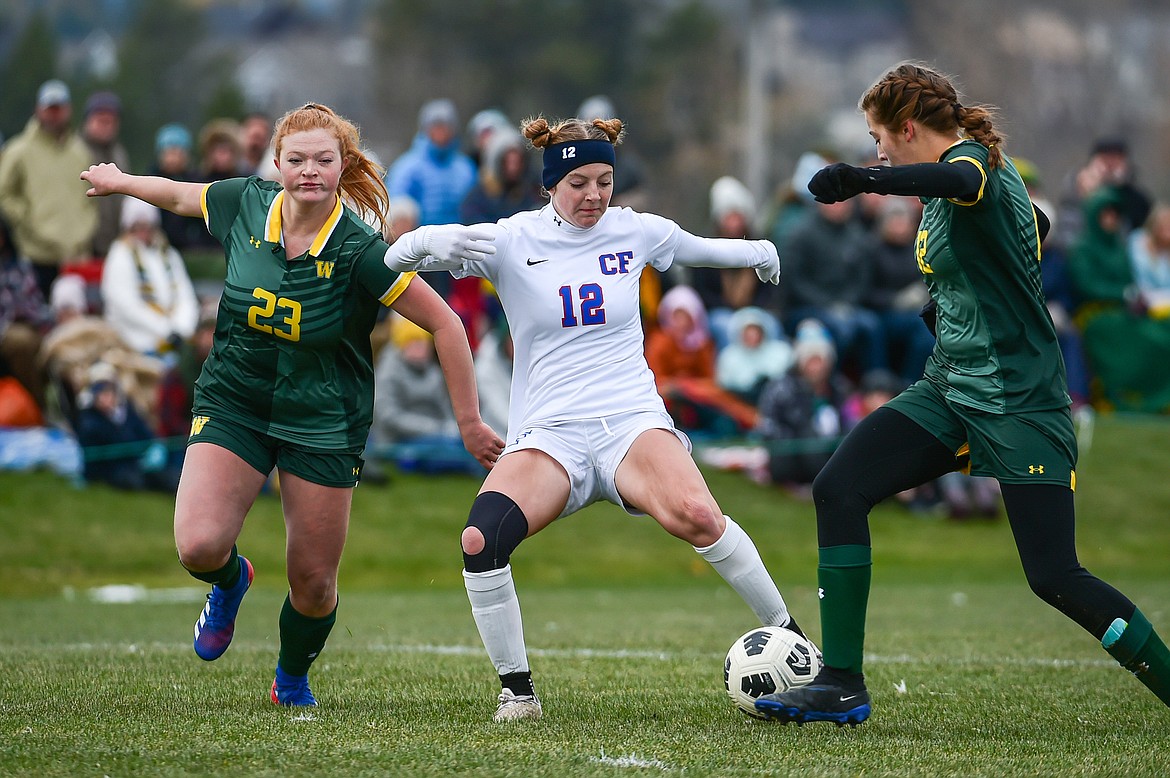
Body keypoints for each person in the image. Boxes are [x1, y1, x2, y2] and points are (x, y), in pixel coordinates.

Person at [754, 62, 1170, 725]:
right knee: (839, 487)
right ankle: (841, 683)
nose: (877, 150)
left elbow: (968, 180)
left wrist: (866, 181)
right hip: (950, 387)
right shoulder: (954, 194)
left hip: (1019, 400)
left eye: (878, 138)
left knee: (1054, 577)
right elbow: (1032, 226)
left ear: (909, 128)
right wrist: (962, 306)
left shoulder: (972, 164)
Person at [383, 113, 803, 723]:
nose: (595, 196)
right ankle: (518, 693)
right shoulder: (511, 239)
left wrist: (759, 250)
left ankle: (793, 641)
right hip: (550, 435)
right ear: (551, 183)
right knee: (480, 540)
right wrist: (423, 244)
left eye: (604, 180)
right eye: (579, 182)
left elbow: (698, 248)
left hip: (630, 420)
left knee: (699, 514)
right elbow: (392, 258)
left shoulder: (633, 230)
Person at [80, 102, 501, 708]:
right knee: (197, 545)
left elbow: (448, 326)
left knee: (314, 584)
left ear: (343, 166)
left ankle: (292, 676)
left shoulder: (361, 251)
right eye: (296, 159)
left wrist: (469, 422)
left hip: (323, 421)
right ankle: (230, 581)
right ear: (275, 163)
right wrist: (119, 182)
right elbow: (176, 194)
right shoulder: (246, 202)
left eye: (323, 161)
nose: (309, 171)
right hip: (235, 401)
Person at [0, 79, 98, 299]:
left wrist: (86, 228)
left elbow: (92, 197)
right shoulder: (19, 151)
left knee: (77, 325)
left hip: (77, 255)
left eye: (59, 108)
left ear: (68, 110)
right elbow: (4, 193)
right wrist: (27, 221)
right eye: (49, 108)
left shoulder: (80, 151)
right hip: (37, 256)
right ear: (38, 110)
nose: (54, 114)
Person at [100, 196, 200, 360]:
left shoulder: (169, 254)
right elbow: (126, 306)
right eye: (137, 226)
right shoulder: (119, 254)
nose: (143, 231)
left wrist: (182, 328)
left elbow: (185, 295)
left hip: (176, 339)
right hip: (134, 343)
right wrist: (165, 330)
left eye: (147, 225)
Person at [80, 91, 129, 259]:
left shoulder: (119, 153)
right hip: (83, 245)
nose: (106, 125)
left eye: (111, 121)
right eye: (101, 120)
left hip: (115, 242)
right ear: (88, 120)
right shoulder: (75, 151)